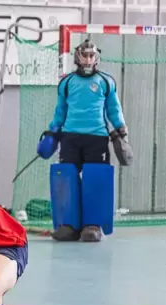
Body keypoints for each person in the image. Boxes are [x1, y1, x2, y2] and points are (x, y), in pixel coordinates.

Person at [47, 39, 127, 242]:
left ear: (97, 57)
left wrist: (121, 129)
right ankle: (68, 224)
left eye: (92, 55)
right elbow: (60, 110)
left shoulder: (105, 81)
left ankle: (93, 225)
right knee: (67, 179)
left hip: (97, 137)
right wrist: (53, 130)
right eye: (84, 55)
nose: (88, 59)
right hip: (70, 137)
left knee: (95, 180)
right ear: (77, 57)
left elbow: (113, 109)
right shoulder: (67, 82)